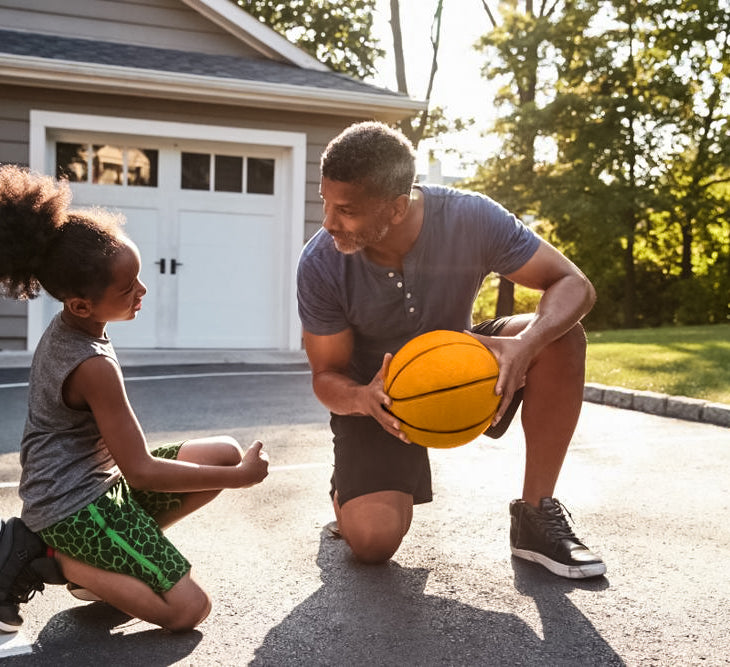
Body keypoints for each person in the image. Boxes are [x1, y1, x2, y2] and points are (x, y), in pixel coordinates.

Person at [297, 121, 605, 579]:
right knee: (373, 544)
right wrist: (363, 398)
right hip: (377, 397)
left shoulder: (470, 217)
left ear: (397, 207)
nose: (329, 222)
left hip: (459, 367)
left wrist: (525, 345)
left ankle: (535, 515)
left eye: (346, 210)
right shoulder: (321, 263)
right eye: (326, 202)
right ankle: (348, 490)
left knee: (560, 335)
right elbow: (326, 375)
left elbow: (573, 284)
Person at [0, 165, 270, 632]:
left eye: (138, 278)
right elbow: (141, 470)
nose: (142, 292)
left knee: (222, 453)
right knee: (189, 609)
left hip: (100, 484)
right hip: (71, 508)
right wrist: (241, 479)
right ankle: (49, 556)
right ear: (81, 304)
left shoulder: (80, 326)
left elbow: (131, 467)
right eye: (127, 289)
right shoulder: (91, 365)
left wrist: (230, 469)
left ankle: (105, 572)